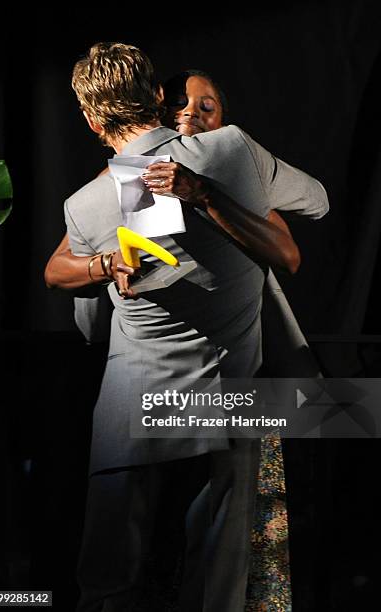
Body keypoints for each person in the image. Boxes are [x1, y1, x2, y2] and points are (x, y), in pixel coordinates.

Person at [51, 42, 328, 612]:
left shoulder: (84, 205)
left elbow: (90, 328)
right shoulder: (231, 149)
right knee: (217, 583)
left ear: (90, 119)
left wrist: (105, 267)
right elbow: (317, 203)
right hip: (228, 403)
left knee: (108, 583)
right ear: (158, 96)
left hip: (133, 402)